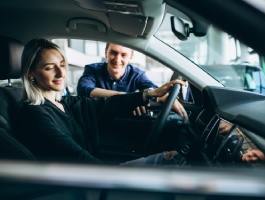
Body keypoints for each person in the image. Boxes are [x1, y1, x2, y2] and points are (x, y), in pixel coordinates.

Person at [18, 38, 187, 166]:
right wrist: (109, 175)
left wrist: (151, 94)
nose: (61, 73)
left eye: (62, 64)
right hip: (87, 180)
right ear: (31, 72)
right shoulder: (36, 114)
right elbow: (75, 156)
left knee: (173, 158)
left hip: (94, 172)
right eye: (49, 67)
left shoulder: (66, 103)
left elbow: (107, 104)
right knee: (171, 161)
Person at [77, 43, 188, 119]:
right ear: (106, 52)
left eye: (123, 55)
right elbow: (84, 89)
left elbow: (152, 89)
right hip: (97, 123)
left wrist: (165, 96)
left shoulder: (137, 74)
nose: (117, 59)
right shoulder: (92, 69)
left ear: (131, 57)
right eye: (113, 53)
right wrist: (130, 98)